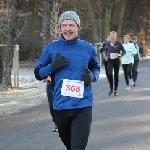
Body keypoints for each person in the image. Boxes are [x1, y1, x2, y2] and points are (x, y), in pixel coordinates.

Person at [34, 11, 100, 150]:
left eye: (71, 25)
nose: (67, 29)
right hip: (61, 106)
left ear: (78, 28)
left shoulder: (88, 48)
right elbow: (38, 74)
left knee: (78, 147)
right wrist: (52, 66)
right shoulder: (51, 48)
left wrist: (93, 77)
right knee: (70, 146)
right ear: (60, 28)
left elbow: (96, 68)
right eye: (64, 25)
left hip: (83, 105)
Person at [105, 31, 126, 96]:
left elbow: (124, 51)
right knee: (109, 73)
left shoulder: (119, 43)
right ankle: (111, 88)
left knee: (116, 75)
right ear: (110, 37)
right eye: (111, 36)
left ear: (115, 37)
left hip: (116, 61)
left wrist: (119, 55)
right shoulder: (107, 44)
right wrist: (106, 56)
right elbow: (106, 51)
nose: (112, 38)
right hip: (110, 60)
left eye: (113, 37)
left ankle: (115, 89)